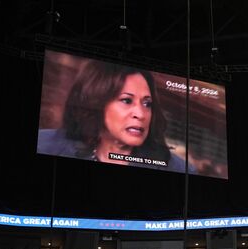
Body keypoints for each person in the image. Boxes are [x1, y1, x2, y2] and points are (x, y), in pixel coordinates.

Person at [38, 59, 194, 172]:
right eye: (126, 100)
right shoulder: (44, 146)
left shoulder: (178, 169)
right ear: (96, 102)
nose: (140, 114)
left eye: (147, 104)